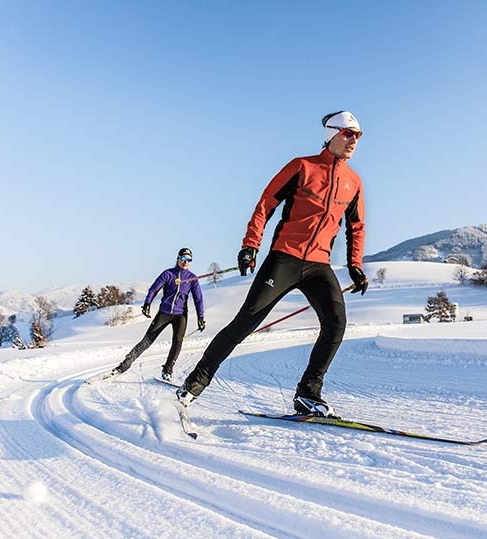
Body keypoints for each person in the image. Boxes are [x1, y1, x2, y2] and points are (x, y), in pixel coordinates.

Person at [176, 111, 368, 417]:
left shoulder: (353, 182)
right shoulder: (301, 166)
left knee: (336, 322)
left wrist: (355, 265)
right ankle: (194, 384)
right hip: (285, 257)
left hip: (319, 264)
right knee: (247, 320)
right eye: (348, 134)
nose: (354, 141)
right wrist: (250, 245)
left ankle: (308, 393)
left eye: (358, 135)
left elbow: (356, 226)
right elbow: (267, 202)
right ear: (332, 134)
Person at [109, 248, 205, 381]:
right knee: (147, 341)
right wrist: (147, 303)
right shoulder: (168, 274)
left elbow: (198, 298)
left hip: (180, 315)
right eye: (183, 259)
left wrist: (201, 317)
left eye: (189, 260)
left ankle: (167, 370)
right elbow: (154, 288)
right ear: (178, 259)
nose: (185, 262)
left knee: (178, 342)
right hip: (164, 313)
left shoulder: (192, 278)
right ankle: (123, 366)